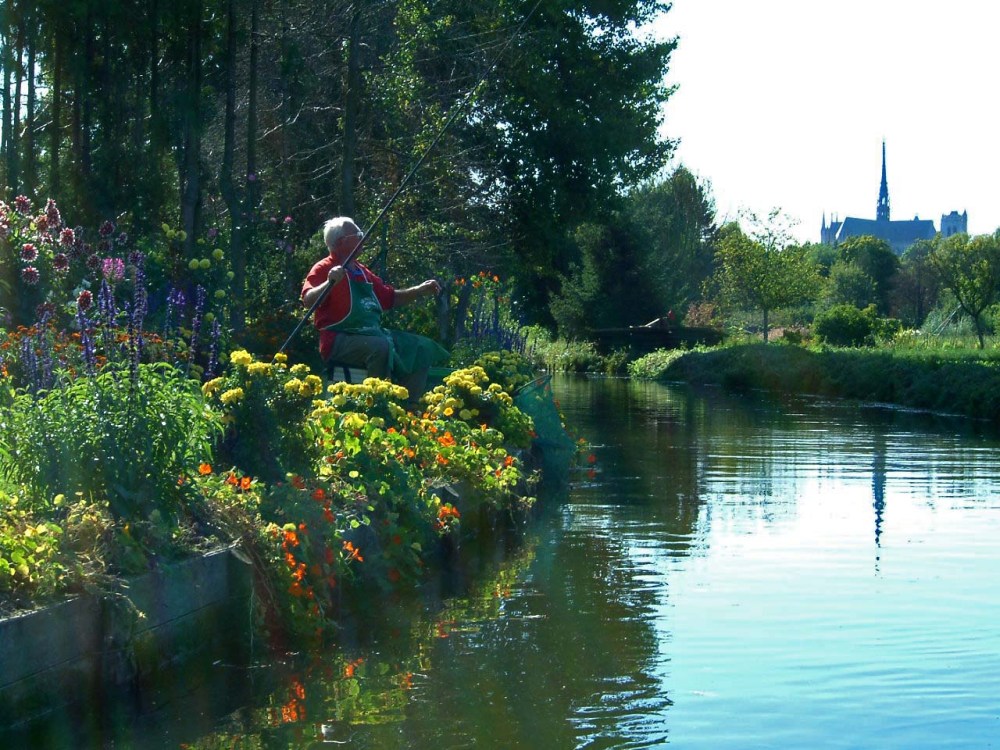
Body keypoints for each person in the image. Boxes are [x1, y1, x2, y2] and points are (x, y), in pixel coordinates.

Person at [301, 216, 448, 399]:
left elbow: (389, 298)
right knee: (380, 347)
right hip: (339, 339)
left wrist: (418, 291)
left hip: (373, 334)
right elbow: (308, 300)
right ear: (341, 241)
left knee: (420, 348)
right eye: (358, 234)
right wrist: (329, 283)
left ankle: (409, 408)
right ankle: (377, 403)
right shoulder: (324, 268)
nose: (363, 238)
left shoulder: (362, 272)